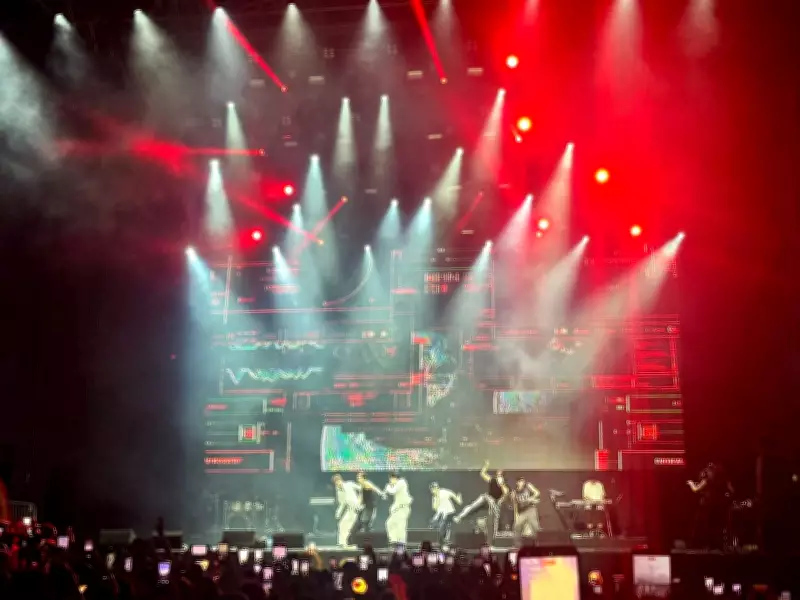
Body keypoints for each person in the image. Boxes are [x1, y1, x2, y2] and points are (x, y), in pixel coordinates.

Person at [454, 460, 508, 545]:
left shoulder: (504, 485)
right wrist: (486, 465)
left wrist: (502, 485)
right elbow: (482, 474)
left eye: (500, 475)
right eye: (498, 475)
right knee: (473, 506)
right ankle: (460, 517)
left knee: (493, 520)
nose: (498, 477)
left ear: (503, 477)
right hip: (487, 498)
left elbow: (506, 493)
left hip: (494, 503)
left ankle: (491, 542)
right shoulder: (493, 480)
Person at [687, 462, 734, 550]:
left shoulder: (708, 480)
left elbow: (696, 489)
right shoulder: (724, 480)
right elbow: (731, 491)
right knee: (717, 526)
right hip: (719, 506)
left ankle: (703, 545)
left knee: (705, 525)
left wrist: (691, 483)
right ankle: (717, 545)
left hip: (707, 505)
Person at [510, 476, 541, 546]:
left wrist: (530, 499)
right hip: (522, 512)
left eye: (523, 481)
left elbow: (537, 492)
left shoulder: (528, 486)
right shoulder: (514, 492)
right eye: (521, 481)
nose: (523, 482)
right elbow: (515, 505)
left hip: (531, 510)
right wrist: (516, 517)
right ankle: (517, 545)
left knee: (535, 527)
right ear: (517, 482)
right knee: (516, 526)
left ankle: (538, 544)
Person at [333, 474, 362, 548]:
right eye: (336, 482)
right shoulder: (339, 491)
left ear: (341, 480)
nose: (338, 483)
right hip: (350, 509)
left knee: (348, 526)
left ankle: (347, 542)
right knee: (341, 524)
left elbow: (361, 489)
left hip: (355, 508)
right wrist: (338, 512)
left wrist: (360, 500)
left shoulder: (349, 484)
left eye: (338, 481)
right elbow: (342, 503)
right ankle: (342, 543)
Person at [384, 472, 412, 545]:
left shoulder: (401, 482)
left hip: (402, 509)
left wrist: (388, 487)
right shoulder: (397, 484)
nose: (390, 481)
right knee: (389, 523)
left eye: (390, 479)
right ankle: (394, 540)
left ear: (394, 478)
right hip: (398, 509)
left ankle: (401, 543)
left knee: (400, 526)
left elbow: (393, 491)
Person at [429, 482, 462, 546]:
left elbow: (451, 493)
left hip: (449, 512)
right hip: (441, 513)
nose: (433, 491)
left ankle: (445, 540)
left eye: (434, 489)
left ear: (437, 488)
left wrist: (457, 499)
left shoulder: (444, 492)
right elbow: (435, 508)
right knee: (433, 523)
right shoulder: (434, 497)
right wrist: (437, 497)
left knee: (444, 524)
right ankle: (438, 539)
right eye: (432, 490)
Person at [351, 471, 381, 536]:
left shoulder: (366, 483)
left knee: (365, 521)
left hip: (370, 505)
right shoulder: (361, 486)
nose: (357, 478)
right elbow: (360, 498)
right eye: (357, 477)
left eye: (359, 477)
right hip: (365, 506)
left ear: (363, 478)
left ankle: (367, 533)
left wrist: (381, 493)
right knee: (359, 521)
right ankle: (356, 534)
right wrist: (357, 506)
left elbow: (374, 488)